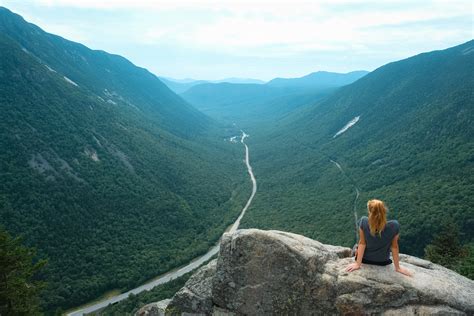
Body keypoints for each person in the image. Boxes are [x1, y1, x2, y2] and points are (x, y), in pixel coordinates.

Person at [345, 199, 412, 276]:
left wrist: (357, 264)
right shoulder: (394, 226)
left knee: (356, 246)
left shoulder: (363, 222)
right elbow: (394, 247)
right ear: (384, 211)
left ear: (370, 212)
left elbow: (362, 244)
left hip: (365, 260)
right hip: (383, 261)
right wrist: (398, 268)